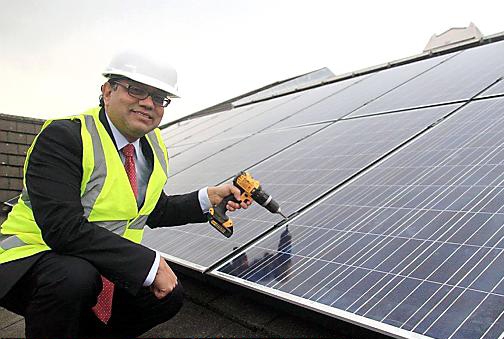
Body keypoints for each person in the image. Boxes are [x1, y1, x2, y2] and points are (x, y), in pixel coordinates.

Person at [0, 51, 250, 337]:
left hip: (99, 264)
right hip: (30, 260)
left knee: (169, 296)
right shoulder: (66, 136)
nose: (148, 103)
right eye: (136, 90)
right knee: (75, 277)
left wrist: (207, 198)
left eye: (159, 98)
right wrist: (149, 263)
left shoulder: (151, 146)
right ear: (107, 91)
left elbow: (151, 210)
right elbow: (62, 228)